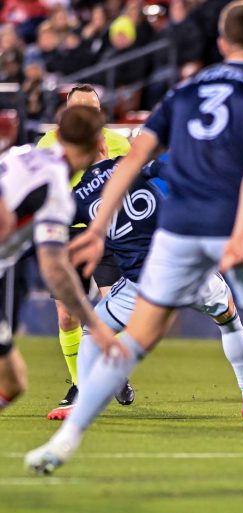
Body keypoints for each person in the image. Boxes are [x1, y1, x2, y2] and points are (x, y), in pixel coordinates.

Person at [26, 0, 243, 481]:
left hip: (177, 230)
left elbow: (133, 160)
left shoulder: (184, 89)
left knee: (134, 339)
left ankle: (64, 441)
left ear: (220, 44)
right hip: (234, 223)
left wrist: (95, 230)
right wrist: (242, 232)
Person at [45, 152, 243, 421]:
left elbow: (48, 226)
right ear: (100, 145)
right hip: (185, 264)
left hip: (142, 282)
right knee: (228, 320)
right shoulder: (126, 164)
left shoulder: (77, 197)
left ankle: (84, 402)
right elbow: (165, 168)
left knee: (93, 331)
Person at [0, 106, 120, 414]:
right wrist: (97, 325)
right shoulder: (56, 190)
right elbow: (54, 269)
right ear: (99, 144)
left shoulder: (22, 154)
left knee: (12, 382)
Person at [37, 83, 134, 411]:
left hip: (107, 232)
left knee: (114, 305)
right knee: (67, 314)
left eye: (93, 109)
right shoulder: (48, 143)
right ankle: (80, 384)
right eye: (81, 109)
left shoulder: (118, 143)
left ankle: (113, 370)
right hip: (63, 233)